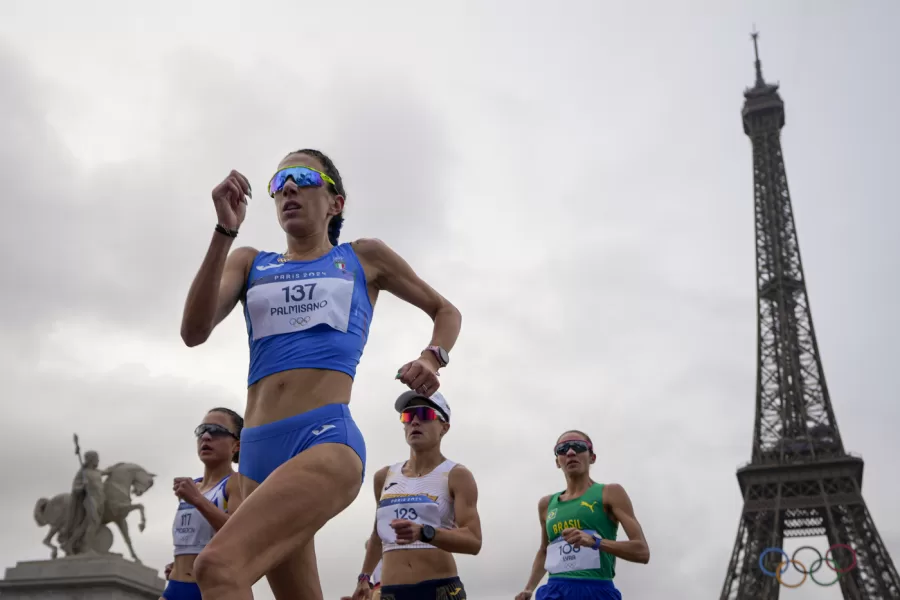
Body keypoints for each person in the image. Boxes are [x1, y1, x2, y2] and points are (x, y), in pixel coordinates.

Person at [181, 149, 462, 600]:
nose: (288, 187)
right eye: (278, 183)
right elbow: (194, 332)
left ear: (336, 203)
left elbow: (445, 310)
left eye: (302, 176)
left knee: (216, 567)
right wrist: (224, 232)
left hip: (324, 439)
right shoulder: (251, 263)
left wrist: (432, 358)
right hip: (255, 455)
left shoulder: (363, 257)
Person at [345, 390, 481, 600]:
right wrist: (364, 578)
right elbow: (378, 535)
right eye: (408, 416)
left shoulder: (457, 475)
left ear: (444, 427)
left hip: (439, 589)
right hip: (391, 592)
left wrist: (425, 532)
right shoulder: (384, 476)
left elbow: (473, 540)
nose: (415, 422)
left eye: (424, 414)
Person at [515, 431, 650, 600]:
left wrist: (595, 542)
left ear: (592, 457)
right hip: (554, 591)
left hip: (596, 591)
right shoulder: (546, 504)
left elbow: (642, 552)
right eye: (562, 449)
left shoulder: (610, 493)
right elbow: (544, 550)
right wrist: (529, 588)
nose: (571, 452)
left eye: (578, 447)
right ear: (557, 462)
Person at [160, 407, 245, 600]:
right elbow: (196, 541)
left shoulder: (236, 483)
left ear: (236, 445)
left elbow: (239, 535)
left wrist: (198, 500)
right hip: (174, 588)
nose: (206, 436)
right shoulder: (193, 487)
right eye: (202, 430)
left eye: (217, 431)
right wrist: (179, 563)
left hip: (211, 591)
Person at [59, 450, 105, 556]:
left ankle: (69, 544)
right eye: (96, 458)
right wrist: (83, 486)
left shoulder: (97, 472)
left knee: (85, 525)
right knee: (94, 522)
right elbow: (75, 488)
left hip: (99, 500)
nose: (98, 461)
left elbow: (107, 471)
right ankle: (86, 547)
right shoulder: (83, 473)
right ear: (90, 460)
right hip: (89, 500)